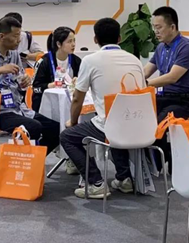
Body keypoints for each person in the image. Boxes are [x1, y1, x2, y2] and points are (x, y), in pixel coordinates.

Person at [60, 18, 146, 199]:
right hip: (139, 125)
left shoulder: (90, 61)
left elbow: (77, 98)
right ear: (119, 38)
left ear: (95, 39)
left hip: (111, 125)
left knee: (68, 136)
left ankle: (96, 183)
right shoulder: (135, 60)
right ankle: (124, 179)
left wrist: (73, 122)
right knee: (113, 125)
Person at [0, 16, 60, 154]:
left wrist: (24, 81)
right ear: (2, 36)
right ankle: (26, 160)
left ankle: (33, 160)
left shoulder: (14, 54)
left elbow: (19, 79)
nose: (19, 40)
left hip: (19, 108)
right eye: (15, 36)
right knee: (33, 127)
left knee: (56, 129)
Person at [143, 6, 189, 167]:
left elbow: (173, 77)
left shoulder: (187, 47)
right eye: (154, 27)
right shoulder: (161, 47)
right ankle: (158, 160)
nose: (156, 32)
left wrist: (146, 84)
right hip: (162, 97)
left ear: (172, 27)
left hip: (182, 100)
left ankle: (165, 158)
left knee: (157, 126)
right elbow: (146, 71)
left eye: (159, 27)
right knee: (140, 120)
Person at [32, 26, 82, 113]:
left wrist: (78, 81)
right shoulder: (44, 62)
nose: (73, 44)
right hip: (48, 105)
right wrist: (50, 85)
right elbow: (36, 88)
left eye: (74, 40)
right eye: (69, 41)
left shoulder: (77, 61)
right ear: (58, 44)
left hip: (70, 102)